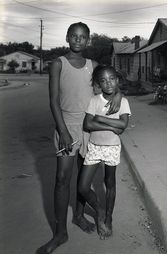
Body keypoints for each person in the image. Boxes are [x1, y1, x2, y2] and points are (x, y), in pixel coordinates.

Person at [37, 22, 121, 254]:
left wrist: (119, 92)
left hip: (89, 128)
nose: (78, 40)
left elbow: (107, 85)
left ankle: (79, 216)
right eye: (74, 35)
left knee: (83, 177)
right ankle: (60, 233)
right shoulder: (58, 64)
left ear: (88, 40)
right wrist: (62, 130)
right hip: (67, 127)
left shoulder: (92, 65)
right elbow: (53, 101)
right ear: (67, 37)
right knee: (62, 179)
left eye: (83, 37)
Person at [78, 65, 131, 239]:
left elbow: (123, 125)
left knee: (110, 184)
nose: (108, 83)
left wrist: (99, 118)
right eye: (103, 80)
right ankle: (100, 210)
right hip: (94, 146)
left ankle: (108, 218)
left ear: (117, 80)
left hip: (111, 148)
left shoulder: (122, 102)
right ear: (98, 83)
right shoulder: (94, 100)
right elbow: (88, 124)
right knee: (83, 187)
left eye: (112, 79)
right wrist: (109, 124)